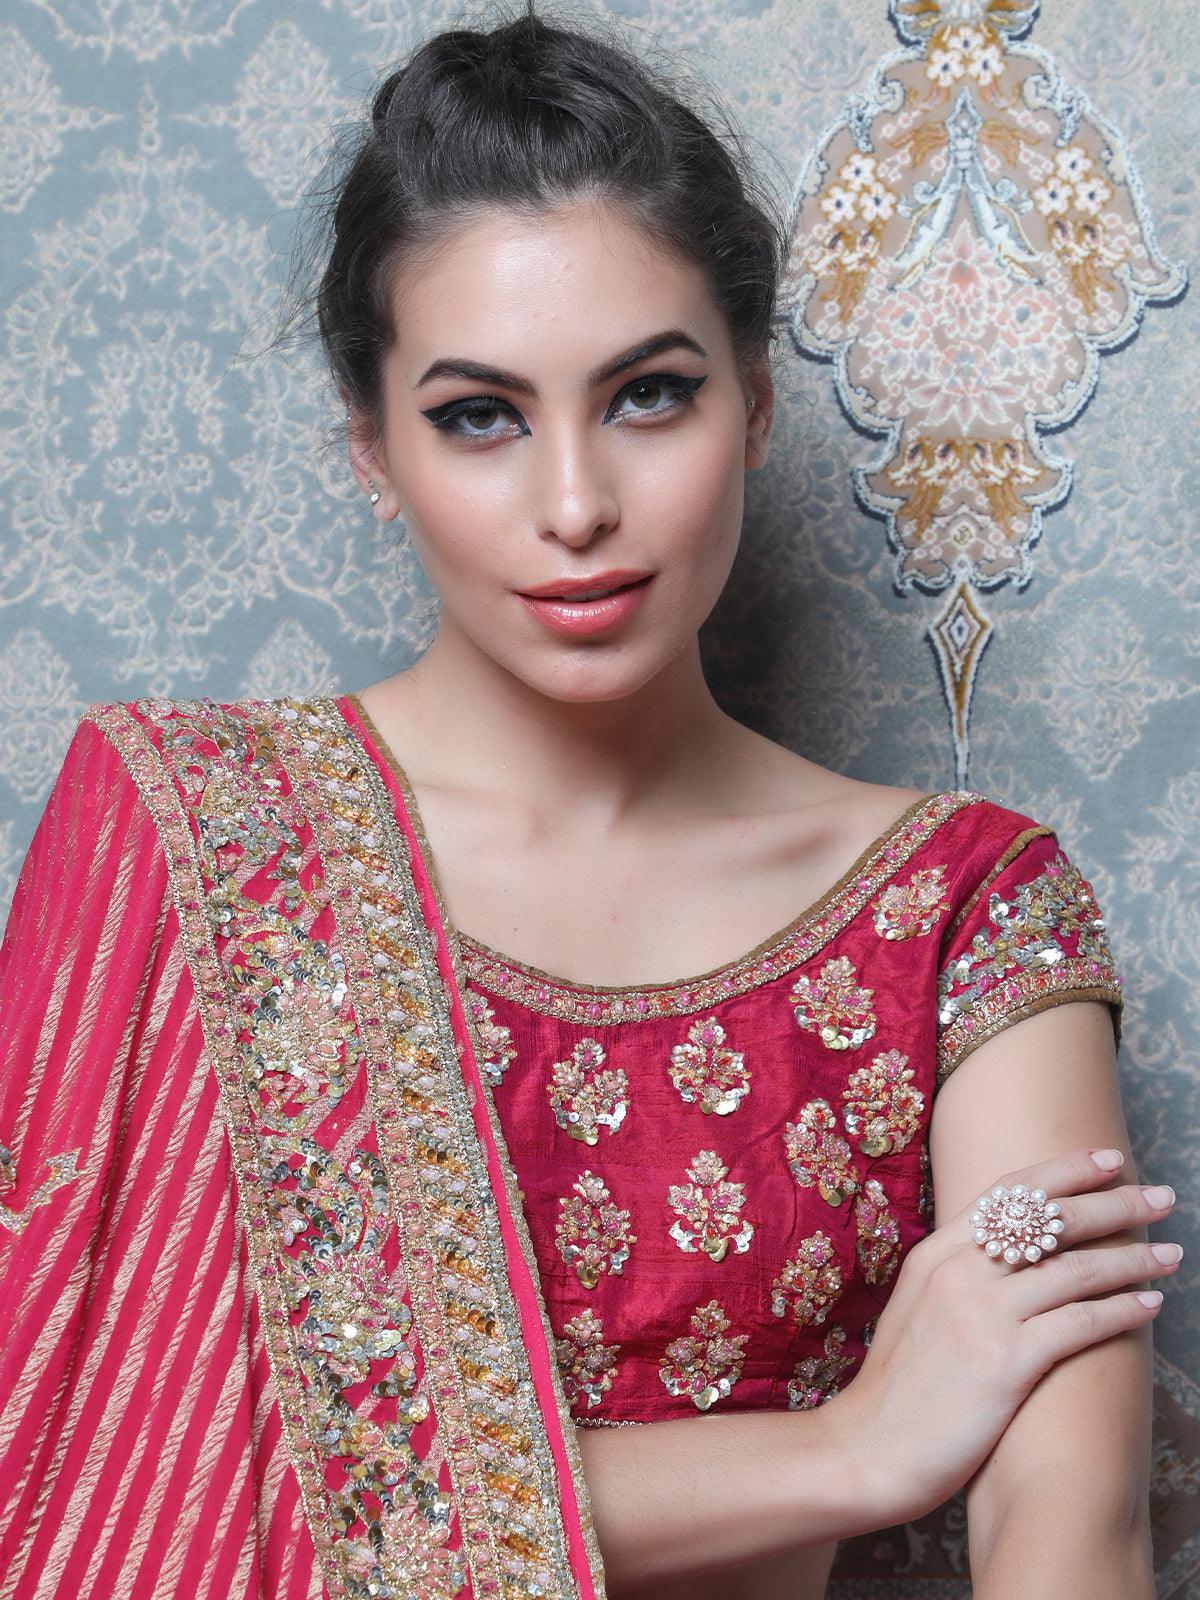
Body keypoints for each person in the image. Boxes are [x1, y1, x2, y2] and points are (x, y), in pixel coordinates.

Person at [0, 5, 1179, 1598]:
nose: (575, 506)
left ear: (755, 404)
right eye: (478, 417)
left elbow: (1071, 1534)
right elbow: (90, 1482)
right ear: (372, 450)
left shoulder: (960, 910)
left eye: (649, 396)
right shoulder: (199, 841)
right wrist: (848, 1451)